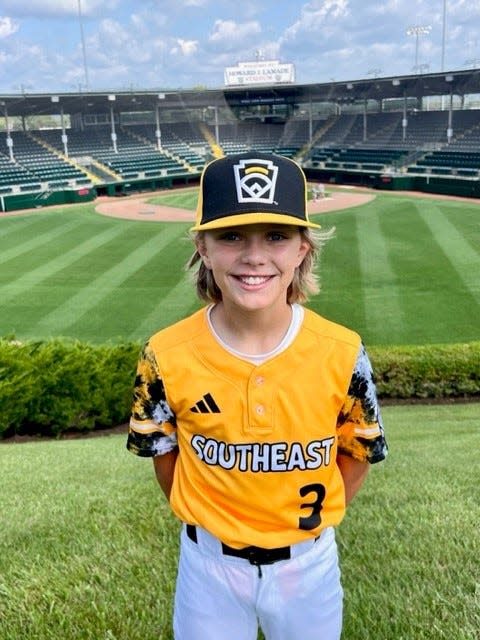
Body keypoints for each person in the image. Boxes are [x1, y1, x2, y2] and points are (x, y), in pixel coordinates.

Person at [127, 151, 388, 640]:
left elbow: (356, 454)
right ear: (202, 247)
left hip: (308, 565)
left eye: (276, 235)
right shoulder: (163, 354)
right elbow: (165, 458)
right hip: (208, 567)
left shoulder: (343, 351)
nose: (254, 256)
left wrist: (304, 525)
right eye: (230, 236)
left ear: (302, 248)